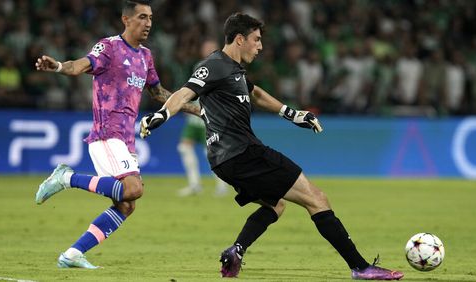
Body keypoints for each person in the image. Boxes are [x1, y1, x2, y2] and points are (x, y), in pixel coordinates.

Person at [140, 13, 404, 280]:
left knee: (276, 204)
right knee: (317, 198)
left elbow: (256, 94)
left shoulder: (235, 71)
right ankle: (361, 268)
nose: (260, 46)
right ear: (240, 39)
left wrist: (293, 114)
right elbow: (185, 92)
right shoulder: (214, 65)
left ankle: (236, 250)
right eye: (256, 40)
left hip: (224, 162)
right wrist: (161, 115)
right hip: (245, 153)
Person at [34, 0, 199, 269]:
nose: (148, 23)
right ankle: (66, 178)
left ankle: (73, 254)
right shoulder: (109, 47)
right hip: (106, 134)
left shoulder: (145, 56)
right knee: (134, 189)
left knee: (126, 205)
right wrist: (58, 67)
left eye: (151, 18)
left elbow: (158, 93)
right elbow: (80, 66)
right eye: (142, 17)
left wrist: (195, 109)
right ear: (126, 19)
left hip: (126, 140)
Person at [177, 39, 228, 197]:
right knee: (184, 147)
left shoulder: (223, 68)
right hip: (195, 116)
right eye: (206, 48)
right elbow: (193, 88)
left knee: (211, 153)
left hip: (210, 117)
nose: (208, 51)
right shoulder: (198, 66)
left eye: (212, 48)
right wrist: (188, 103)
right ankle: (194, 185)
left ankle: (222, 185)